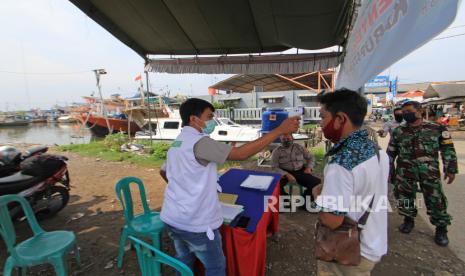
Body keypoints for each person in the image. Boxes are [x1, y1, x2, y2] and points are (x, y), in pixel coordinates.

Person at [159, 98, 300, 275]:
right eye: (209, 116)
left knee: (185, 261)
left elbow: (163, 172)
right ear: (194, 119)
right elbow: (241, 154)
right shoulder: (199, 142)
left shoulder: (178, 142)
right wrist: (279, 130)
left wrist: (184, 190)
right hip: (194, 222)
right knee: (215, 267)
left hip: (172, 216)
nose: (211, 121)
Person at [312, 89, 389, 275]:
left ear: (340, 119)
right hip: (372, 242)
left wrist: (317, 196)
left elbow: (331, 220)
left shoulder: (341, 162)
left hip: (348, 253)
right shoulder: (377, 151)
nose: (321, 124)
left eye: (323, 117)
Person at [387, 101, 458, 246]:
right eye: (403, 112)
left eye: (408, 111)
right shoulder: (399, 131)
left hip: (429, 172)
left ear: (419, 111)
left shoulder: (437, 128)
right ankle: (408, 220)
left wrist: (450, 168)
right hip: (405, 171)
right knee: (405, 197)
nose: (405, 114)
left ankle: (441, 228)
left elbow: (448, 149)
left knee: (435, 199)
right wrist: (389, 169)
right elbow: (391, 152)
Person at [270, 133, 321, 206]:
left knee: (316, 182)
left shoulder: (299, 147)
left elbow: (311, 157)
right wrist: (286, 174)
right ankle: (286, 203)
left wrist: (309, 167)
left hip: (300, 171)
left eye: (288, 139)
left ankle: (303, 203)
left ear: (292, 139)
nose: (286, 141)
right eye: (284, 139)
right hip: (284, 171)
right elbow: (274, 166)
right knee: (275, 185)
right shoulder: (276, 151)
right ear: (280, 140)